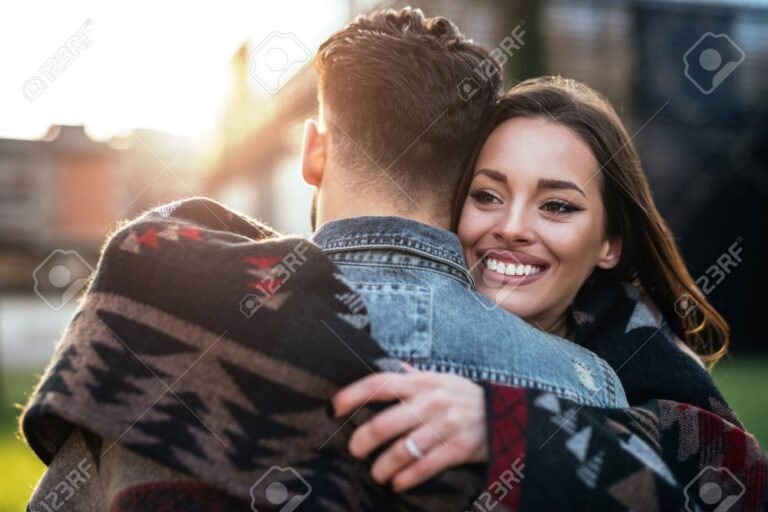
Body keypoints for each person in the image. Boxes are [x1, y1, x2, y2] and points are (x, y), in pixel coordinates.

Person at [332, 76, 767, 509]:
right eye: (487, 195)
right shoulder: (380, 316)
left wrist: (513, 427)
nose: (513, 227)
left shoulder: (658, 375)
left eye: (557, 206)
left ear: (609, 244)